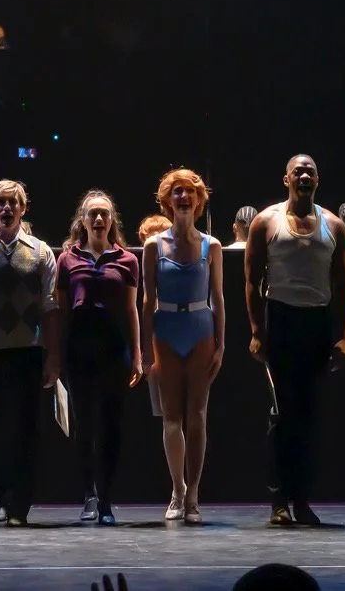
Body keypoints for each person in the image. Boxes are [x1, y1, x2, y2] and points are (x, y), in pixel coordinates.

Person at [246, 154, 345, 527]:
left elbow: (342, 286)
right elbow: (252, 280)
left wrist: (344, 336)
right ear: (286, 179)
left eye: (310, 171)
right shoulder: (266, 221)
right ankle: (278, 502)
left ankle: (302, 500)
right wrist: (258, 331)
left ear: (317, 180)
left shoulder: (334, 225)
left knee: (308, 417)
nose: (304, 176)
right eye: (297, 171)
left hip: (316, 323)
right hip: (281, 321)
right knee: (281, 414)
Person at [0, 179, 60, 525]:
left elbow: (50, 308)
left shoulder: (41, 251)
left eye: (13, 203)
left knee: (28, 429)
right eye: (0, 203)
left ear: (23, 208)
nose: (6, 209)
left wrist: (52, 357)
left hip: (30, 352)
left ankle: (21, 504)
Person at [143, 169, 226, 525]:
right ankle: (176, 490)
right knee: (172, 416)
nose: (183, 197)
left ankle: (194, 494)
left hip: (200, 330)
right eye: (177, 192)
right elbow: (147, 301)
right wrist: (146, 350)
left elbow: (219, 298)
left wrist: (221, 344)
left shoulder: (212, 245)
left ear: (198, 199)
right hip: (166, 330)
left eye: (189, 191)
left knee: (198, 416)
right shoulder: (153, 245)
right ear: (167, 199)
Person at [57, 190, 142, 525]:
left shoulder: (127, 260)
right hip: (79, 345)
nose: (98, 219)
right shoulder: (68, 259)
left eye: (104, 214)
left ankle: (106, 497)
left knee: (110, 423)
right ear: (83, 219)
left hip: (112, 346)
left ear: (112, 220)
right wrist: (56, 352)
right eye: (92, 213)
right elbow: (62, 311)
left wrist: (136, 355)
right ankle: (89, 494)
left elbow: (132, 309)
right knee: (84, 424)